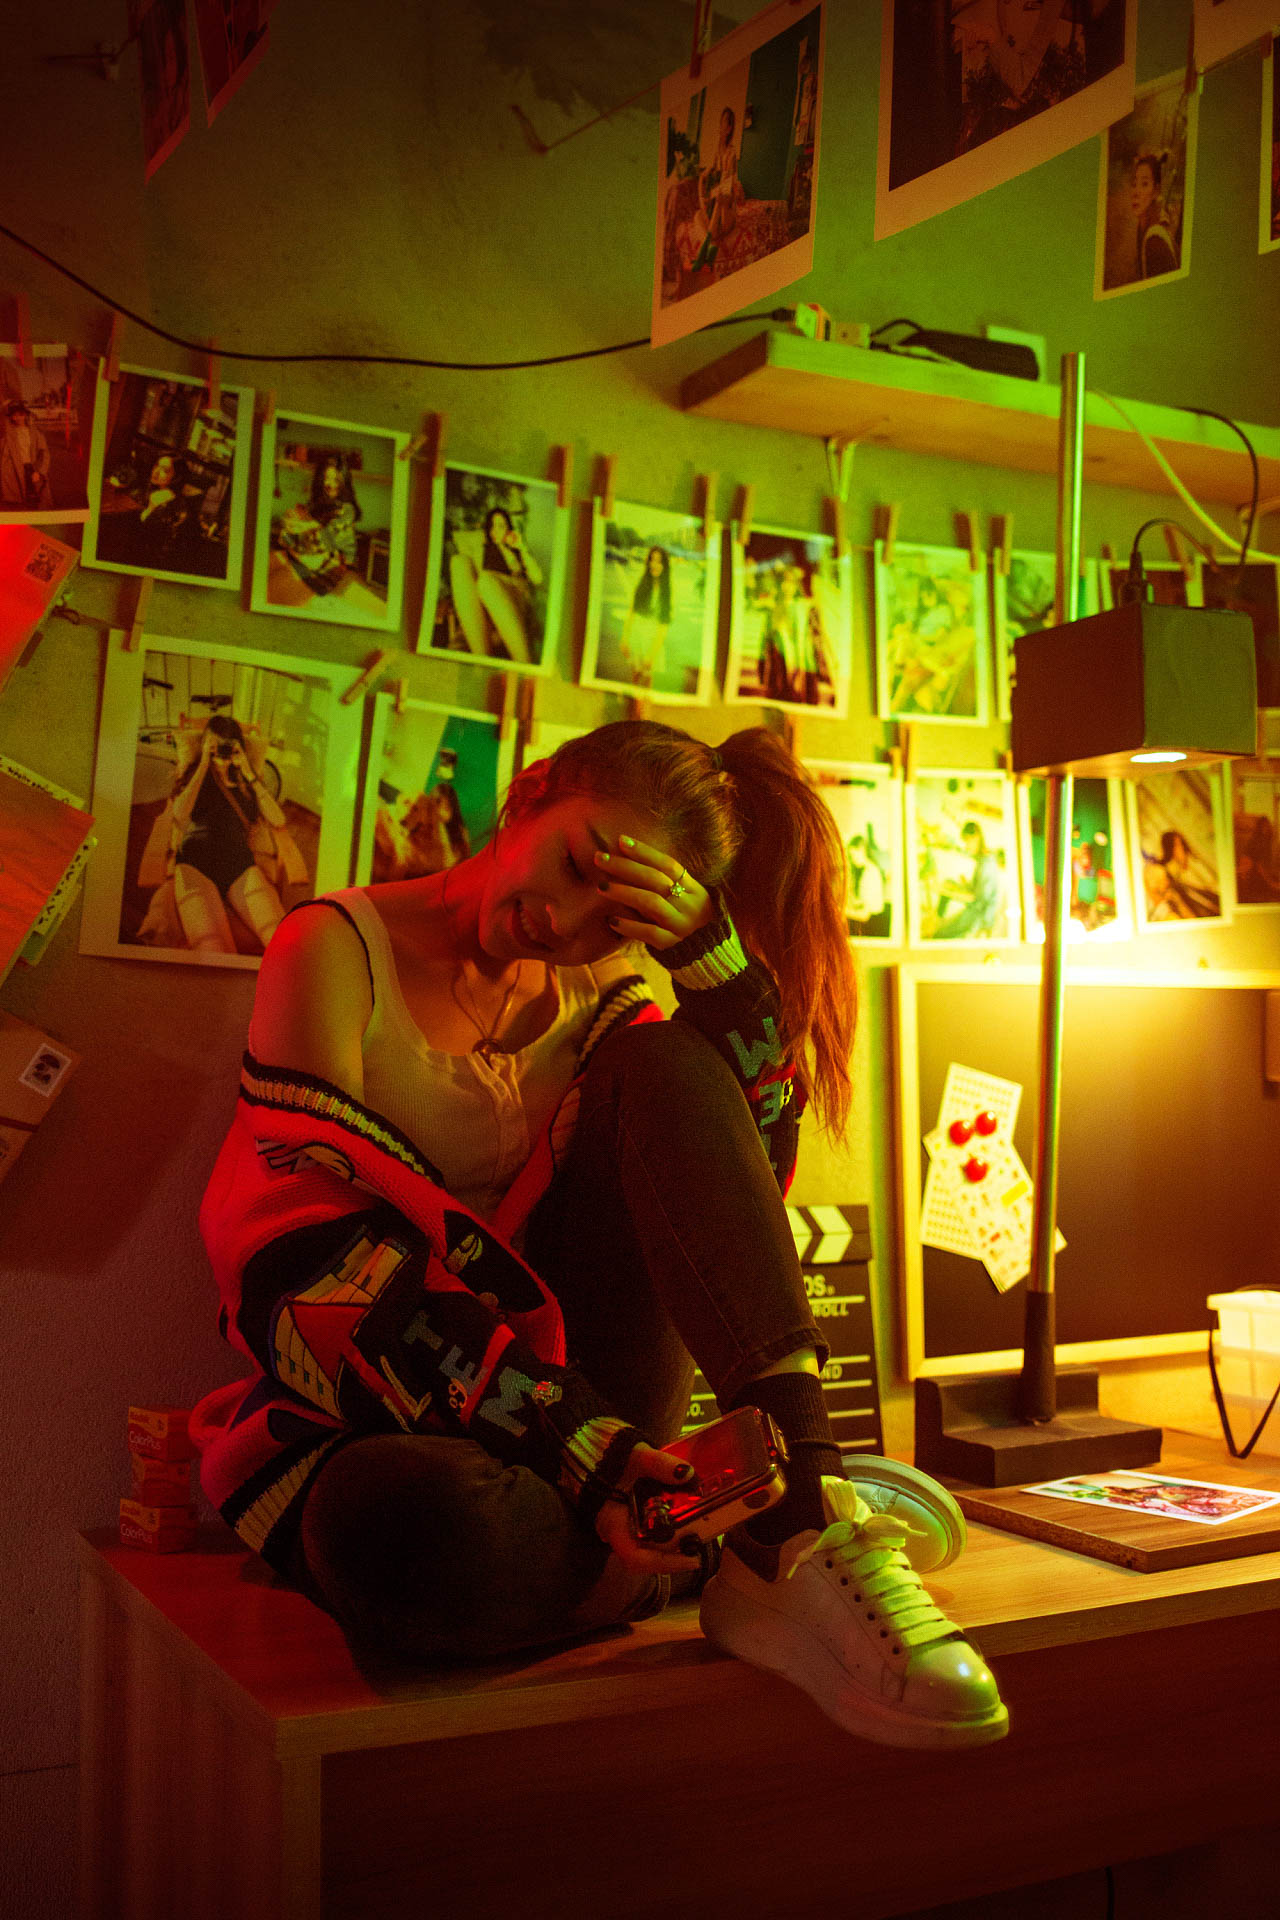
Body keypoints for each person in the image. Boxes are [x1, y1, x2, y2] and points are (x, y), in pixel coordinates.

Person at [190, 721, 1007, 1750]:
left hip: (600, 1405)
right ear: (533, 790)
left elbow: (738, 1193)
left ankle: (796, 1505)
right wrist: (591, 1453)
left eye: (613, 921)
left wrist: (715, 971)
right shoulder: (333, 948)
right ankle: (714, 1531)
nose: (564, 923)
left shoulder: (606, 1003)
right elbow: (308, 1260)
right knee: (389, 1528)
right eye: (577, 865)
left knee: (668, 1062)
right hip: (397, 1415)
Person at [136, 714, 307, 953]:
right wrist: (204, 764)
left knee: (284, 944)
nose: (222, 753)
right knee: (214, 950)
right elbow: (179, 814)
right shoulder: (194, 776)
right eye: (217, 745)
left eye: (228, 745)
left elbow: (278, 819)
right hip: (195, 863)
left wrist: (249, 773)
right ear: (207, 745)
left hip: (240, 865)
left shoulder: (247, 782)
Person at [271, 451, 384, 610]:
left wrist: (305, 527)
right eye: (326, 478)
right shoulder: (318, 503)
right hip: (302, 558)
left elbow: (323, 540)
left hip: (326, 571)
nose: (330, 484)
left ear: (344, 481)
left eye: (336, 479)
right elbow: (291, 539)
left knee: (272, 592)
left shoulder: (347, 510)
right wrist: (292, 522)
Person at [449, 505, 543, 662]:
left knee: (486, 581)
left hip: (511, 598)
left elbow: (538, 578)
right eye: (492, 526)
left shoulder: (516, 551)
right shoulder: (482, 551)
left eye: (501, 526)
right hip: (486, 608)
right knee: (459, 561)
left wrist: (521, 547)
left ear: (509, 529)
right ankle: (482, 660)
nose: (496, 531)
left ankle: (523, 661)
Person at [97, 449, 193, 571]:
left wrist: (149, 510)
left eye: (165, 470)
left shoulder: (172, 503)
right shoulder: (150, 491)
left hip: (141, 560)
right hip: (127, 550)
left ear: (176, 477)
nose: (156, 471)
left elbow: (154, 540)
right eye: (157, 465)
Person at [933, 820, 1006, 940]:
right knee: (948, 883)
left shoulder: (987, 864)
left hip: (979, 918)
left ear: (976, 838)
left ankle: (939, 924)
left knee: (938, 935)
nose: (966, 846)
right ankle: (939, 920)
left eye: (967, 841)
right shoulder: (983, 860)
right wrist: (960, 886)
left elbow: (978, 900)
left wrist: (953, 893)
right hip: (976, 910)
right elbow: (977, 890)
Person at [619, 546, 673, 686]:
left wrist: (651, 654)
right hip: (636, 637)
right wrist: (625, 638)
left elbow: (664, 625)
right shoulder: (643, 584)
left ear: (665, 565)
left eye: (659, 561)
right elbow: (632, 613)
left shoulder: (667, 592)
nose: (654, 564)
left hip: (652, 641)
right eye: (652, 560)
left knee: (647, 680)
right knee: (635, 676)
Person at [1128, 151, 1179, 280]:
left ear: (1156, 191)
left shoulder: (1155, 241)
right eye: (1134, 184)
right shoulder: (1143, 226)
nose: (1136, 192)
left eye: (1144, 184)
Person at [0, 400, 51, 509]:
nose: (18, 418)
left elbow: (44, 453)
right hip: (14, 472)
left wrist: (39, 471)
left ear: (25, 415)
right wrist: (3, 407)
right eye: (14, 415)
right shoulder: (7, 434)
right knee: (18, 504)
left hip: (32, 469)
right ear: (10, 417)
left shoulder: (35, 432)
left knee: (37, 501)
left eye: (21, 414)